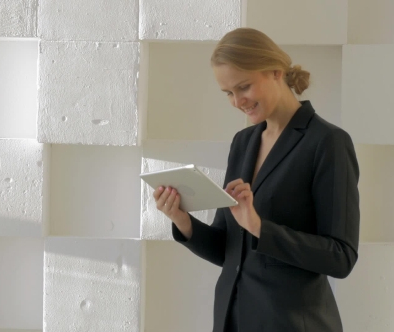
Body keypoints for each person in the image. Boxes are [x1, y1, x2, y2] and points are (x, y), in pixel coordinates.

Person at [152, 27, 360, 332]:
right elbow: (229, 251)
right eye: (228, 93)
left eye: (244, 87)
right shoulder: (243, 143)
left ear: (275, 71)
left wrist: (260, 227)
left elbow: (341, 257)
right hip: (232, 320)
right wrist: (183, 220)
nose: (237, 101)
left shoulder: (327, 142)